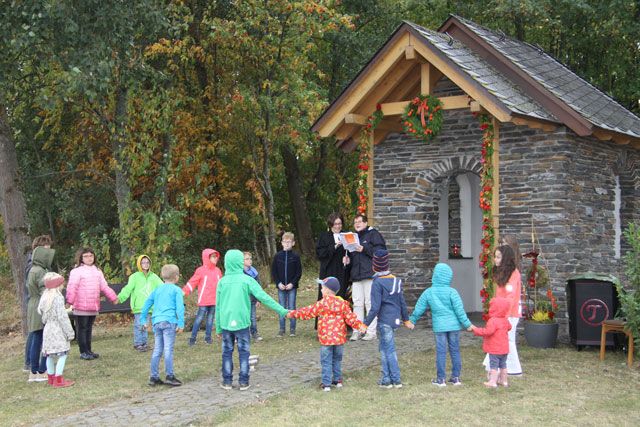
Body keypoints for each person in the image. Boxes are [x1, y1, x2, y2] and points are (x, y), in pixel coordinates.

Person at [217, 249, 289, 391]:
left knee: (227, 352)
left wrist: (218, 327)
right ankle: (244, 382)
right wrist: (282, 310)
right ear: (239, 262)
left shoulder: (222, 282)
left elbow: (218, 306)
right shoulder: (247, 280)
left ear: (226, 263)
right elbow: (264, 297)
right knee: (244, 352)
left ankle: (227, 382)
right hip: (242, 323)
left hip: (226, 324)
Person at [287, 277, 366, 391]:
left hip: (326, 340)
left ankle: (326, 384)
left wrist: (293, 314)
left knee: (326, 361)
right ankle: (337, 381)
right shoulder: (343, 304)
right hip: (339, 339)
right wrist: (360, 326)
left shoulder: (322, 304)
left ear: (328, 290)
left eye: (322, 288)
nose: (321, 290)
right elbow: (351, 319)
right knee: (337, 360)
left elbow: (307, 312)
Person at [406, 263, 473, 387]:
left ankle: (441, 379)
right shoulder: (453, 292)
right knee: (455, 351)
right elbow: (460, 310)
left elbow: (419, 308)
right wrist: (467, 324)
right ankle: (456, 378)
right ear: (449, 277)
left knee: (441, 352)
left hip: (440, 328)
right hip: (454, 327)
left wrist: (412, 321)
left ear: (435, 276)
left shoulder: (429, 292)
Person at [363, 249, 410, 388]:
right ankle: (386, 379)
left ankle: (395, 379)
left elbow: (375, 307)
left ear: (374, 266)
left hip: (384, 321)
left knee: (388, 350)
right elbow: (402, 301)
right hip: (395, 320)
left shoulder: (377, 283)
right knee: (384, 348)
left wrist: (365, 324)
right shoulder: (396, 280)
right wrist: (406, 319)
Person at [66, 247, 118, 360]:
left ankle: (89, 350)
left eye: (91, 256)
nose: (89, 258)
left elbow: (104, 286)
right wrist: (69, 301)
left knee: (88, 328)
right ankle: (83, 351)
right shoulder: (76, 271)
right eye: (86, 256)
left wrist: (113, 297)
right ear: (81, 258)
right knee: (82, 328)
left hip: (93, 305)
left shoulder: (97, 271)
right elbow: (72, 287)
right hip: (80, 306)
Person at [140, 264, 185, 387]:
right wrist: (181, 323)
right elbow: (180, 308)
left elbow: (147, 304)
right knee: (168, 349)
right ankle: (170, 376)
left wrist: (143, 319)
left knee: (157, 349)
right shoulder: (177, 290)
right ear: (176, 277)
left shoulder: (157, 289)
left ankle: (153, 377)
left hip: (156, 322)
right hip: (169, 321)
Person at [344, 214, 386, 341]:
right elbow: (353, 256)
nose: (357, 224)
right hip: (356, 275)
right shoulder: (352, 237)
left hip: (370, 274)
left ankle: (371, 331)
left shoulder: (373, 234)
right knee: (357, 304)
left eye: (360, 222)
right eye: (355, 222)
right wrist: (347, 259)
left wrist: (364, 248)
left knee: (370, 303)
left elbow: (380, 252)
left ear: (366, 222)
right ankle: (357, 330)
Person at [482, 245, 523, 376]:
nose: (495, 259)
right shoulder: (503, 272)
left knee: (508, 340)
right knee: (497, 338)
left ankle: (514, 368)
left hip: (510, 312)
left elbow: (510, 297)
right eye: (495, 256)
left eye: (498, 257)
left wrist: (503, 315)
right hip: (502, 312)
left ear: (506, 258)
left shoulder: (514, 273)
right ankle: (493, 364)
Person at [117, 255, 163, 351]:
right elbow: (128, 289)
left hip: (150, 306)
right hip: (139, 306)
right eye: (143, 262)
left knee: (145, 325)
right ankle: (138, 343)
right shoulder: (134, 277)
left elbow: (162, 287)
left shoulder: (154, 277)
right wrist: (120, 298)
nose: (145, 264)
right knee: (139, 325)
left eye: (147, 262)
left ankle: (144, 343)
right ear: (139, 264)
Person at [38, 272, 75, 387]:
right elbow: (62, 317)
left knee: (49, 355)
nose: (63, 285)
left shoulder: (45, 297)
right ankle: (59, 379)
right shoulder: (58, 297)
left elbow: (44, 317)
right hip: (57, 329)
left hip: (48, 329)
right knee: (62, 354)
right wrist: (70, 333)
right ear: (57, 285)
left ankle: (51, 377)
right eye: (61, 283)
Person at [23, 235, 53, 373]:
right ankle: (34, 367)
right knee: (36, 335)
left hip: (35, 303)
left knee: (36, 335)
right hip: (37, 304)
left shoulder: (38, 267)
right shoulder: (35, 268)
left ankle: (33, 366)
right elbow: (42, 288)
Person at [182, 249, 222, 346]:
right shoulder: (200, 270)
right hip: (204, 301)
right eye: (213, 256)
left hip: (214, 300)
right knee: (199, 319)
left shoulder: (217, 271)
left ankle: (208, 338)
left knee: (210, 319)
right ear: (207, 258)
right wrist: (184, 291)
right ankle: (192, 339)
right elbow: (193, 282)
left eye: (216, 256)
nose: (215, 258)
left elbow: (222, 285)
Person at [471, 297, 512, 388]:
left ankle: (492, 382)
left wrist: (476, 330)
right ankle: (504, 381)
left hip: (494, 349)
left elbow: (487, 332)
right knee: (503, 365)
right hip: (504, 348)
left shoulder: (493, 321)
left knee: (494, 365)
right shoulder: (505, 320)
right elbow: (509, 327)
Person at [271, 232, 302, 337]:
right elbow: (274, 272)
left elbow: (299, 272)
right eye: (285, 242)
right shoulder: (277, 256)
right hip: (281, 286)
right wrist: (278, 283)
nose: (287, 244)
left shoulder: (296, 256)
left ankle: (292, 329)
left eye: (289, 242)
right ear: (282, 243)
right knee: (281, 307)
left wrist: (292, 283)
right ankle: (282, 328)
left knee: (291, 306)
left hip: (291, 287)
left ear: (293, 243)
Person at [316, 212, 349, 300]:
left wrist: (348, 259)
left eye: (340, 224)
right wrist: (334, 246)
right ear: (331, 224)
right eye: (335, 224)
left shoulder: (346, 235)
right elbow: (320, 254)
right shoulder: (323, 236)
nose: (338, 226)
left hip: (342, 271)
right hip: (328, 270)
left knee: (341, 295)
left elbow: (351, 251)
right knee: (326, 296)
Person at [243, 251, 262, 341]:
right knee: (244, 318)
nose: (249, 260)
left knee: (252, 317)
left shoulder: (254, 272)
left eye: (250, 259)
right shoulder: (239, 273)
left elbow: (258, 286)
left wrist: (259, 299)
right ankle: (245, 335)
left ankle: (254, 333)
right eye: (247, 259)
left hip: (252, 299)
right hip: (242, 300)